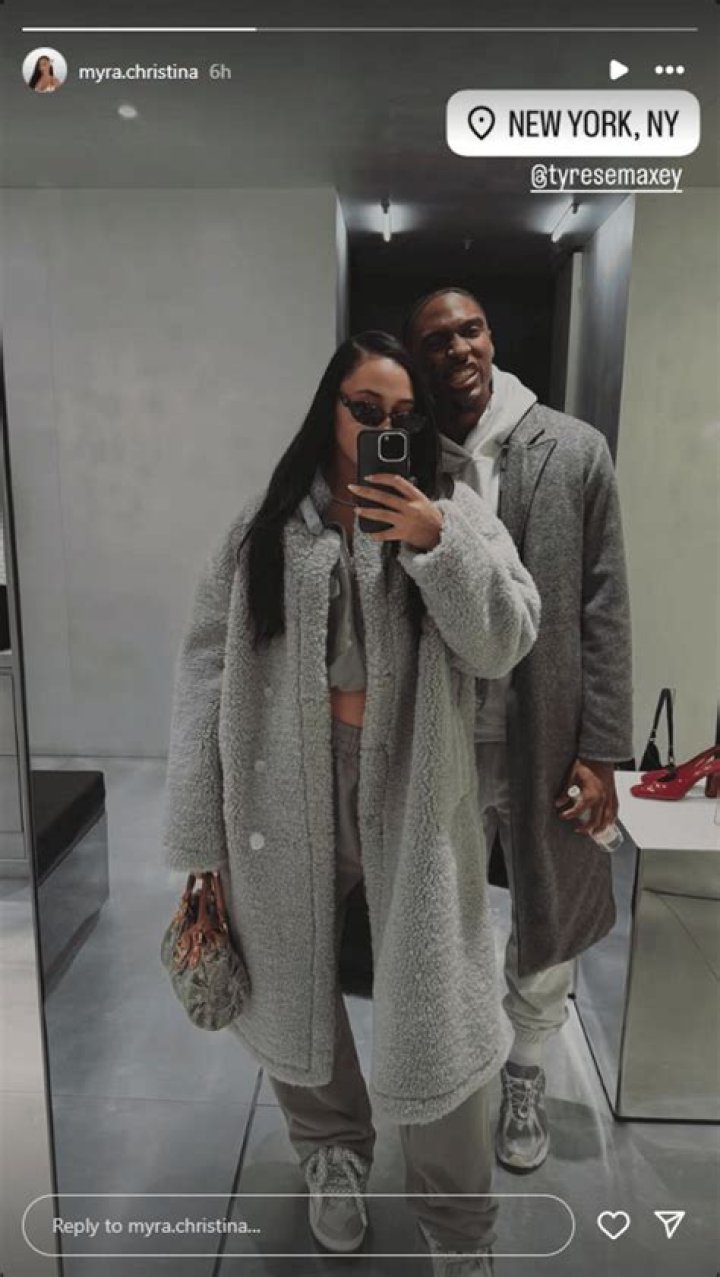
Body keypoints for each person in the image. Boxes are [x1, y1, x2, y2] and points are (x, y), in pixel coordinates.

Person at [162, 331, 540, 1274]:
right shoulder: (265, 525)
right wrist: (200, 830)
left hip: (415, 781)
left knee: (437, 997)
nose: (381, 427)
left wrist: (435, 542)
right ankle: (331, 1150)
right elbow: (205, 671)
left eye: (402, 414)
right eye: (363, 409)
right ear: (328, 408)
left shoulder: (452, 507)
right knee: (291, 974)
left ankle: (458, 1220)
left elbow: (507, 638)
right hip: (280, 781)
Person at [406, 288, 633, 1175]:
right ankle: (456, 1067)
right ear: (419, 357)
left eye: (470, 330)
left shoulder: (573, 449)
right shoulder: (409, 455)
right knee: (444, 913)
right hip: (442, 731)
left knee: (547, 908)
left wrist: (603, 749)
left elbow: (605, 604)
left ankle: (527, 1068)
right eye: (436, 340)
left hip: (548, 730)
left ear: (492, 336)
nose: (458, 349)